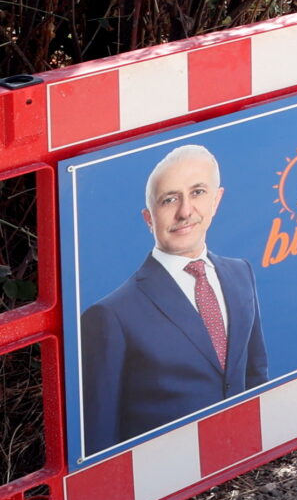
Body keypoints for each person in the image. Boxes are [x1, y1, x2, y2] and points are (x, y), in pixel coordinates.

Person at [80, 144, 267, 451]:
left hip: (240, 454)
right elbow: (100, 434)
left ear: (216, 200)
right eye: (169, 200)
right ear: (149, 219)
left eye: (197, 192)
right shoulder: (111, 315)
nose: (185, 211)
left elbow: (255, 373)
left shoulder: (240, 273)